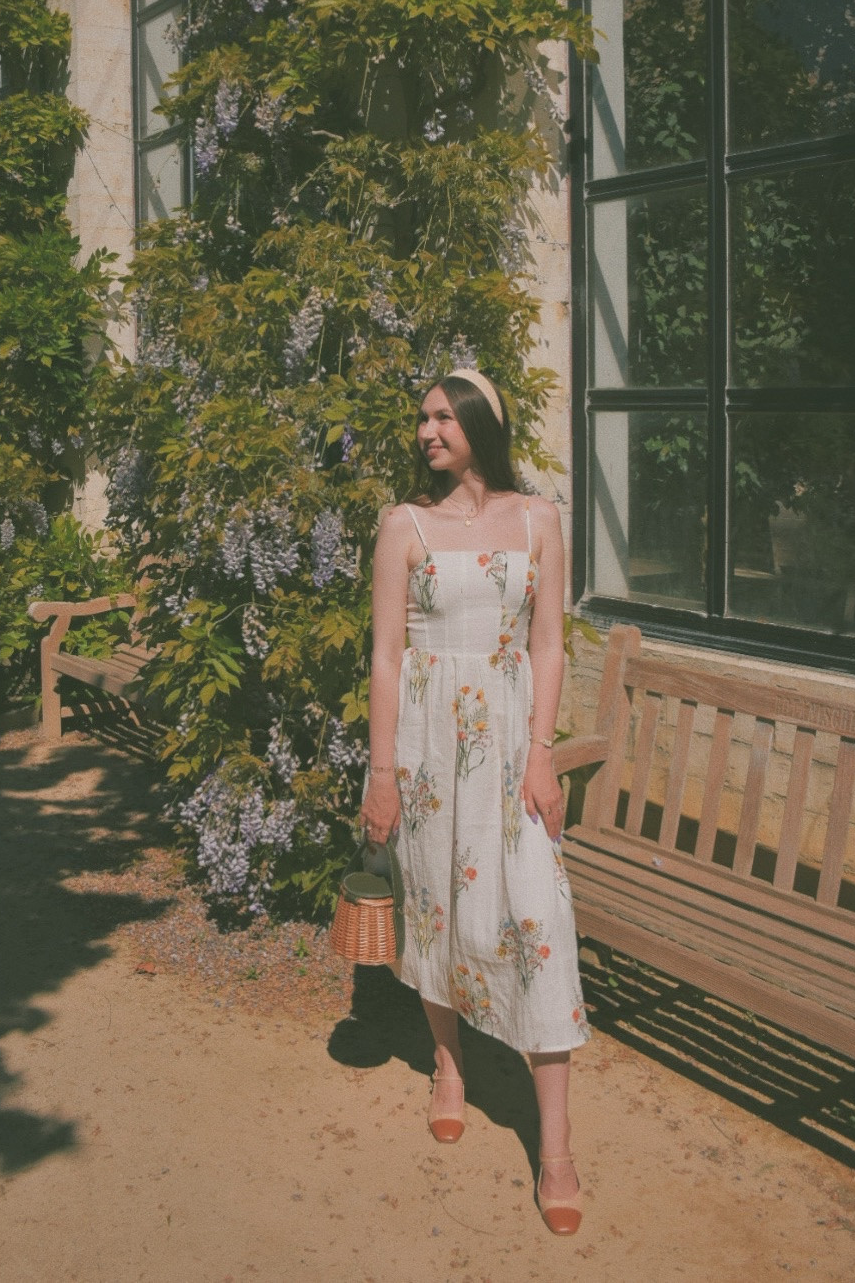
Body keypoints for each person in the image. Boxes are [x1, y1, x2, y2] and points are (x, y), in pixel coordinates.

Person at [360, 368, 589, 1237]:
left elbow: (551, 645)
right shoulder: (403, 526)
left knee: (539, 923)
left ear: (482, 423)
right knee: (437, 915)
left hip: (507, 755)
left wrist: (543, 757)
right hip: (425, 753)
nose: (426, 429)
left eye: (443, 415)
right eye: (420, 416)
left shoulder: (537, 518)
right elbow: (386, 658)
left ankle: (558, 1149)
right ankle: (448, 1064)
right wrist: (383, 773)